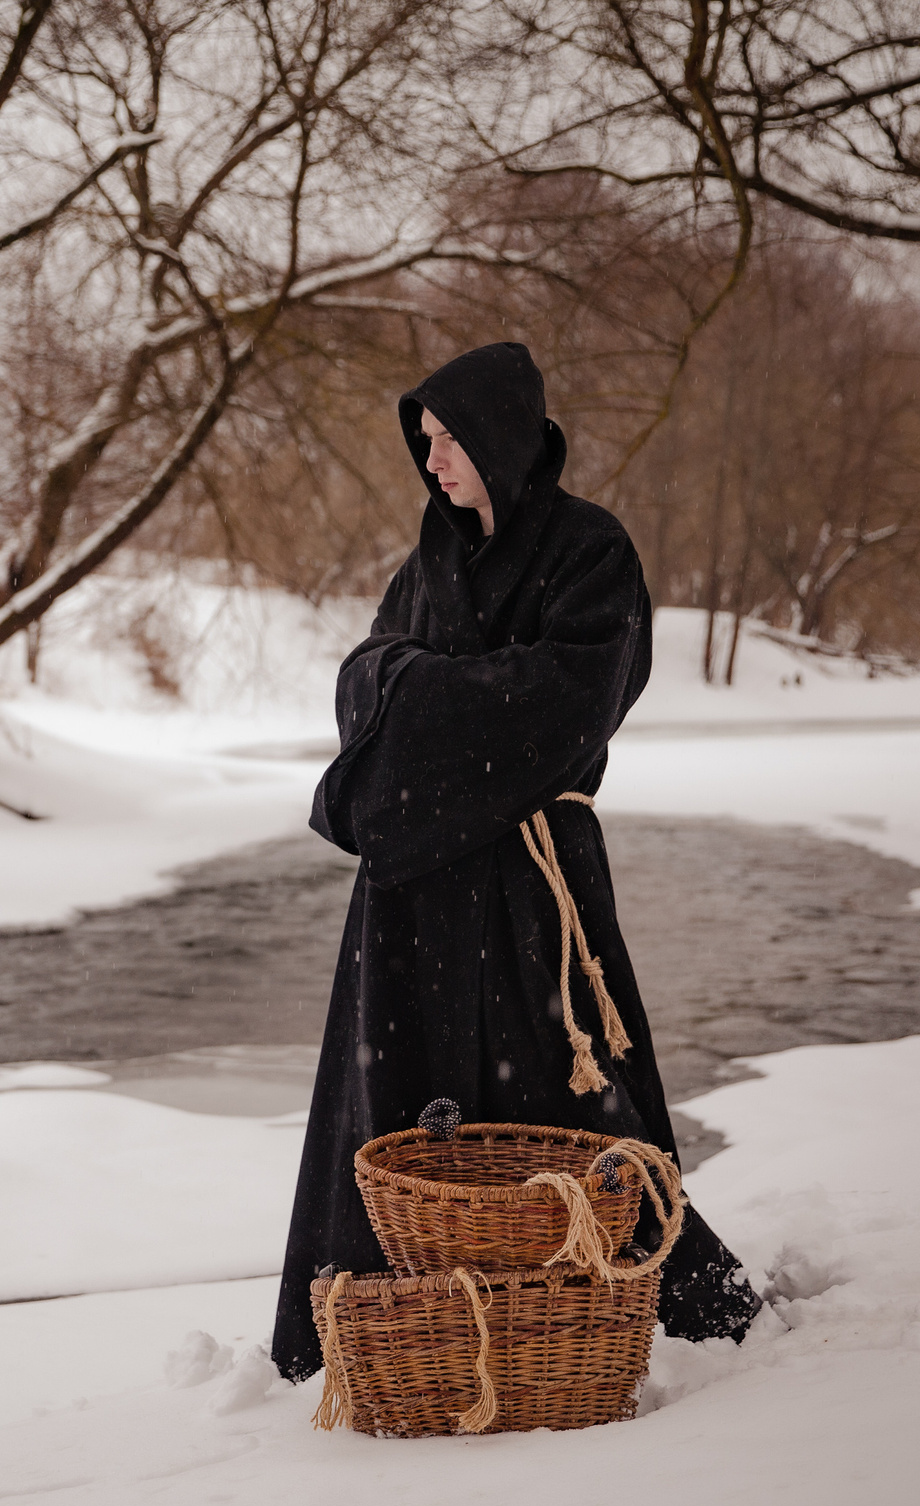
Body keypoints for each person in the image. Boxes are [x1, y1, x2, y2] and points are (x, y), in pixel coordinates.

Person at [271, 341, 762, 1382]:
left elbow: (568, 703)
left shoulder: (591, 554)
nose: (434, 463)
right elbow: (361, 690)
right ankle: (386, 1316)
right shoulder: (422, 570)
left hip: (536, 879)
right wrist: (424, 694)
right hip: (412, 896)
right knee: (397, 1107)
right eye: (425, 444)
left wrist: (418, 698)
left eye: (449, 441)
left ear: (502, 437)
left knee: (570, 1095)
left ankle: (609, 1307)